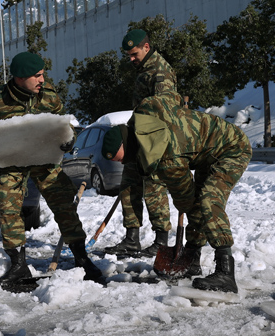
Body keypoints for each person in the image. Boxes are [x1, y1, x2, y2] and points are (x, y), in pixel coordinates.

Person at [0, 52, 104, 285]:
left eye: (43, 75)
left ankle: (81, 258)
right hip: (11, 162)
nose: (42, 80)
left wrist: (69, 139)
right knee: (7, 200)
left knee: (64, 202)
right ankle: (18, 265)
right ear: (20, 77)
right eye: (37, 76)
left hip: (45, 159)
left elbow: (66, 125)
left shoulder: (49, 97)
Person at [101, 93, 252, 293]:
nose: (123, 163)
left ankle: (226, 272)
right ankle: (193, 260)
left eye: (123, 159)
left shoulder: (168, 158)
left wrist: (185, 205)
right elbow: (169, 98)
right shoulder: (145, 114)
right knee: (199, 203)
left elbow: (188, 201)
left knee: (207, 201)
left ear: (128, 147)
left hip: (232, 148)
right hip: (206, 152)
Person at [106, 29, 175, 258]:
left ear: (146, 47)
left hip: (154, 141)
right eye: (129, 55)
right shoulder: (144, 70)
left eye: (134, 54)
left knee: (154, 189)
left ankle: (161, 241)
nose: (131, 59)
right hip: (139, 138)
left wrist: (154, 146)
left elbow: (165, 112)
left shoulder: (161, 72)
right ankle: (131, 239)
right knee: (128, 186)